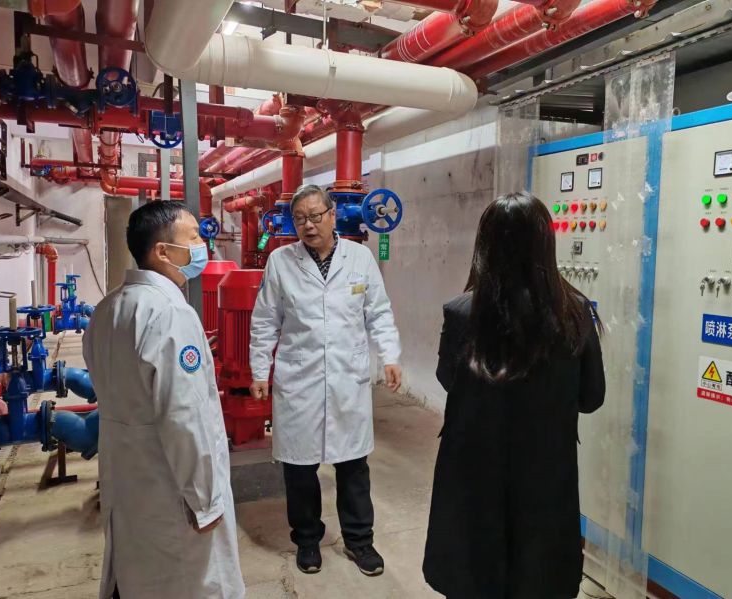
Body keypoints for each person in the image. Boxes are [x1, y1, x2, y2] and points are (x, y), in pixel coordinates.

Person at [423, 193, 606, 599]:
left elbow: (447, 380)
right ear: (546, 244)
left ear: (484, 245)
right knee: (538, 576)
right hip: (546, 474)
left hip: (472, 472)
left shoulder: (460, 312)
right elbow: (592, 397)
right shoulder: (575, 313)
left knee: (473, 575)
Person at [83, 202, 245, 599]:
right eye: (194, 237)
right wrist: (205, 500)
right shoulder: (170, 313)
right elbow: (185, 416)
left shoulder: (108, 308)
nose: (203, 245)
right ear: (162, 251)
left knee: (136, 574)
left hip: (127, 477)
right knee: (187, 581)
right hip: (170, 486)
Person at [249, 184, 402, 577]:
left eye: (316, 216)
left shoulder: (360, 258)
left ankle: (359, 541)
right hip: (298, 379)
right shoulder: (280, 262)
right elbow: (265, 321)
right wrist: (259, 370)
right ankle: (307, 541)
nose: (308, 225)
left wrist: (390, 356)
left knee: (353, 465)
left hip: (347, 378)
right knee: (300, 469)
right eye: (300, 218)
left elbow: (378, 312)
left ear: (333, 215)